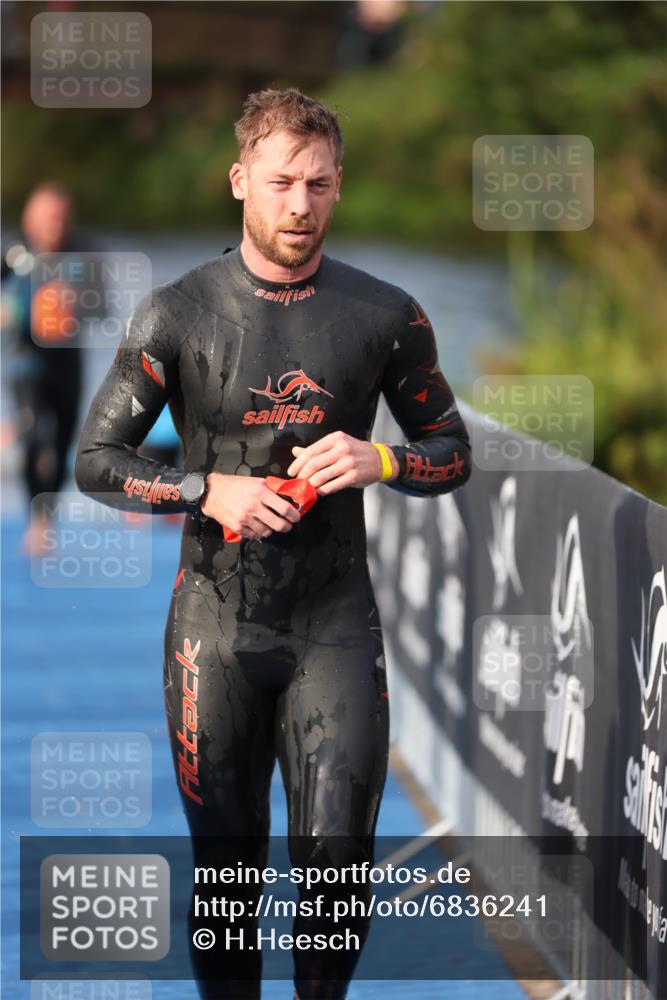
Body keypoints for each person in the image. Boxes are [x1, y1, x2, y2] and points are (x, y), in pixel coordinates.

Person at [75, 88, 472, 1000]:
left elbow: (451, 455)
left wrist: (381, 458)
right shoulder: (174, 314)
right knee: (227, 873)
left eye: (319, 185)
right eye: (282, 182)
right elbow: (97, 461)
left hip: (332, 623)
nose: (300, 205)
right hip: (212, 625)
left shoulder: (385, 316)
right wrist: (203, 487)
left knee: (336, 867)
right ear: (239, 181)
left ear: (338, 189)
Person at [1, 182, 83, 555]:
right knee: (35, 436)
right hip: (25, 359)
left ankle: (47, 515)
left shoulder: (82, 255)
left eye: (59, 218)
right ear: (30, 219)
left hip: (66, 360)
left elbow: (106, 307)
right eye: (46, 217)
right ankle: (35, 519)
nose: (53, 225)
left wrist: (77, 305)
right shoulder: (14, 252)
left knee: (63, 440)